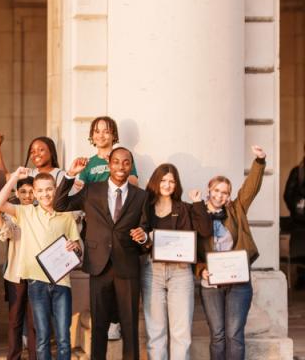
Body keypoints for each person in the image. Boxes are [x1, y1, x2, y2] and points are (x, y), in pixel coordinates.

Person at [55, 147, 149, 360]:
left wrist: (143, 236)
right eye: (116, 162)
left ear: (130, 166)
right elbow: (60, 204)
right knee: (99, 325)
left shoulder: (141, 196)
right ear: (109, 165)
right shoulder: (91, 190)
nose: (121, 167)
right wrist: (70, 174)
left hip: (128, 267)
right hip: (99, 266)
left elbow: (145, 229)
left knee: (130, 325)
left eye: (126, 163)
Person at [0, 168, 81, 360]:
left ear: (56, 189)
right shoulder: (25, 213)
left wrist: (75, 246)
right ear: (34, 193)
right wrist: (15, 176)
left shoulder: (67, 216)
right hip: (36, 283)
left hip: (62, 283)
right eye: (40, 191)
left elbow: (78, 250)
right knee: (41, 337)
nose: (45, 194)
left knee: (63, 338)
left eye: (49, 189)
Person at [197, 145, 266, 360]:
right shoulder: (197, 213)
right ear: (209, 190)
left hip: (238, 282)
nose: (220, 195)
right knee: (217, 335)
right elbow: (192, 250)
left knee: (235, 335)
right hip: (211, 284)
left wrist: (259, 161)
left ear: (229, 196)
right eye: (216, 190)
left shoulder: (236, 209)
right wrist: (201, 270)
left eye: (225, 192)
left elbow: (250, 188)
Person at [138, 164, 211, 360]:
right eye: (163, 180)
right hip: (152, 271)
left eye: (171, 181)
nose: (167, 184)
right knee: (155, 333)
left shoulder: (185, 208)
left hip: (181, 272)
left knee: (181, 334)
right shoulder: (146, 207)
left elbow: (205, 230)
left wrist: (198, 203)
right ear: (155, 181)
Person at [0, 176, 37, 360]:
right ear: (17, 194)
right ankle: (14, 357)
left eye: (31, 191)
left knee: (35, 320)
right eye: (23, 192)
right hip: (16, 273)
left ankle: (37, 356)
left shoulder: (41, 212)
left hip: (37, 273)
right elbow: (6, 233)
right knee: (14, 319)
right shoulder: (12, 213)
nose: (27, 196)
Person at [284, 142, 305, 288]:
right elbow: (288, 195)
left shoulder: (298, 171)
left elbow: (288, 195)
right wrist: (297, 212)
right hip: (300, 223)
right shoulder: (298, 172)